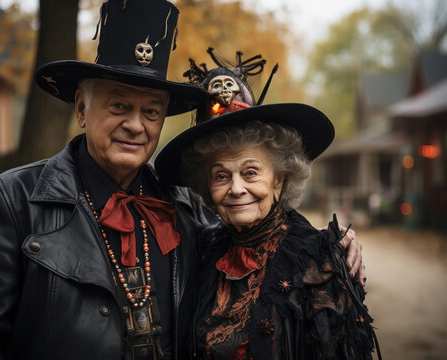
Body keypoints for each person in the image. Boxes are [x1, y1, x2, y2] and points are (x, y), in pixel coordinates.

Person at [0, 2, 363, 359]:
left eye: (150, 111)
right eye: (119, 105)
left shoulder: (186, 210)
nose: (135, 125)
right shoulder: (16, 199)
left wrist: (334, 246)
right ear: (81, 107)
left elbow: (257, 231)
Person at [154, 51, 379, 359]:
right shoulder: (204, 248)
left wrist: (331, 248)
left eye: (250, 172)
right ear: (206, 187)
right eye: (221, 176)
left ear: (279, 180)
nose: (236, 189)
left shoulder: (318, 259)